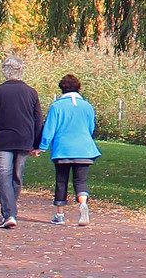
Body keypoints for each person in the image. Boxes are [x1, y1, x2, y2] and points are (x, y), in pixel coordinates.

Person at [0, 55, 43, 229]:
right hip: (24, 140)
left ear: (5, 72)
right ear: (21, 71)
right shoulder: (31, 92)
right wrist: (36, 143)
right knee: (17, 176)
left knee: (4, 175)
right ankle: (11, 210)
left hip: (3, 140)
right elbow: (38, 120)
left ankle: (9, 213)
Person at [38, 73, 101, 227]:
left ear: (62, 89)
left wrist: (42, 146)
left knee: (61, 181)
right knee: (80, 181)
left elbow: (50, 129)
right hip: (84, 150)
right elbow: (90, 128)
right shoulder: (87, 106)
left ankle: (60, 215)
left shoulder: (57, 106)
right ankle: (83, 204)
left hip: (63, 149)